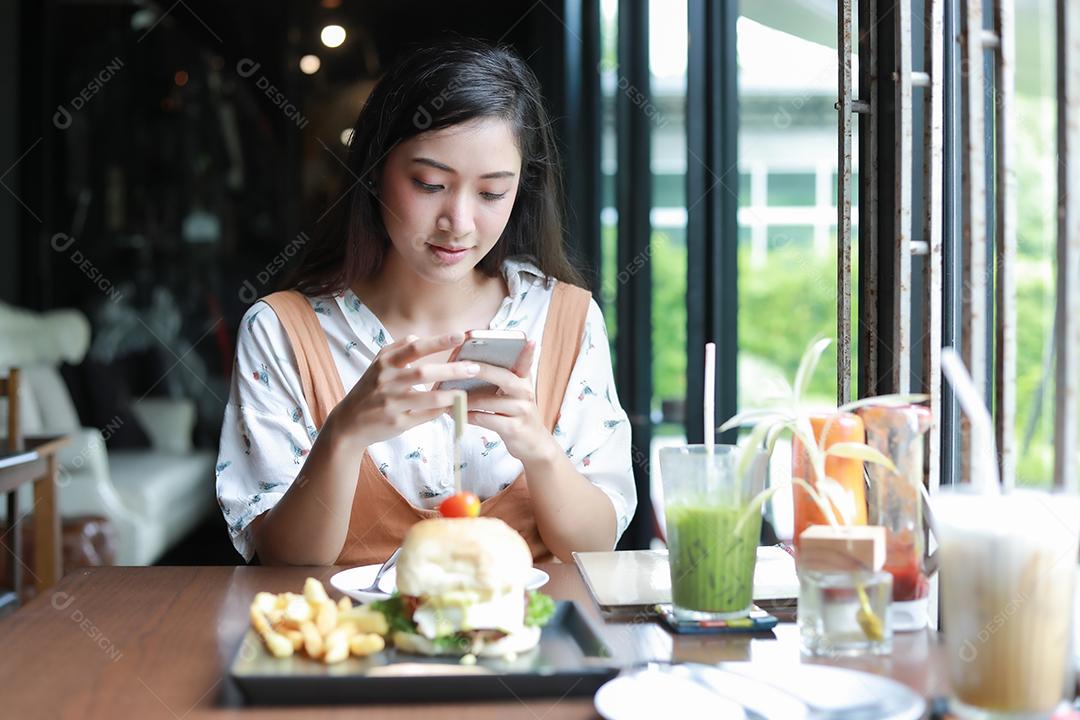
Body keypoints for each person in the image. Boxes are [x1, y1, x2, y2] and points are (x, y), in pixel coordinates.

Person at [215, 38, 635, 566]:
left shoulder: (565, 320)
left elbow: (596, 550)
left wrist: (539, 449)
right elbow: (280, 563)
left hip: (527, 644)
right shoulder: (281, 332)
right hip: (350, 644)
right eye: (430, 183)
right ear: (375, 170)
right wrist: (343, 437)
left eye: (490, 193)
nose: (458, 222)